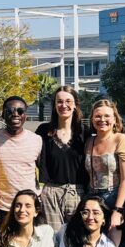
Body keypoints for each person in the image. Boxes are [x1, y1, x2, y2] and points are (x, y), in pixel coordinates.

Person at [36, 87, 88, 231]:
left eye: (68, 101)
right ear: (54, 105)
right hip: (51, 192)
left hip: (77, 192)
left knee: (76, 237)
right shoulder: (43, 131)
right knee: (53, 239)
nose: (63, 105)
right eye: (59, 101)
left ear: (75, 105)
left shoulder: (85, 132)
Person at [0, 96, 43, 220]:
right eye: (10, 111)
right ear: (3, 114)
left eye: (20, 111)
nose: (15, 114)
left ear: (25, 115)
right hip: (3, 208)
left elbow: (44, 171)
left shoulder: (36, 140)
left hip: (29, 207)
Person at [84, 98, 125, 229]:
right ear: (92, 119)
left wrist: (118, 210)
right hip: (92, 197)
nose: (102, 119)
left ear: (114, 119)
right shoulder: (89, 141)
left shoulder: (121, 139)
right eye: (97, 116)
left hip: (114, 196)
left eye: (107, 116)